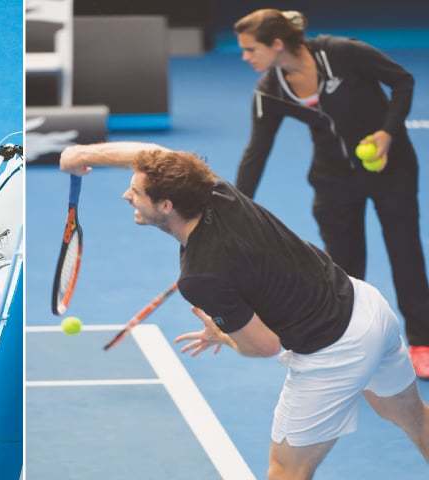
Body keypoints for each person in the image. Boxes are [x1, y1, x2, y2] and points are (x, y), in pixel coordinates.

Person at [60, 142, 429, 478]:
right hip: (368, 308)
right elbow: (152, 154)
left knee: (286, 470)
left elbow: (264, 346)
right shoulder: (215, 192)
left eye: (136, 192)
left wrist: (223, 335)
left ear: (167, 206)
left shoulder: (200, 276)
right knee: (412, 417)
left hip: (333, 351)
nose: (127, 196)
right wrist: (83, 155)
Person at [232, 8, 429, 377]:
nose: (245, 57)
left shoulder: (343, 53)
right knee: (343, 266)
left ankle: (422, 340)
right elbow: (256, 154)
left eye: (250, 49)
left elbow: (402, 81)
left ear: (276, 45)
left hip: (392, 168)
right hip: (333, 178)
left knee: (405, 251)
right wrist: (232, 208)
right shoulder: (270, 91)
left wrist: (388, 132)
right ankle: (354, 342)